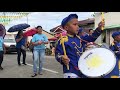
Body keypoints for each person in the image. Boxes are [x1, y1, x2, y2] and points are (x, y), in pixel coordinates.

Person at [55, 14, 105, 78]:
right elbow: (57, 54)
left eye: (77, 24)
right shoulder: (63, 40)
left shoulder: (80, 38)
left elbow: (91, 38)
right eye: (74, 24)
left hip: (83, 69)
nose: (77, 27)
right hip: (71, 71)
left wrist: (99, 28)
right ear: (66, 28)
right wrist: (62, 58)